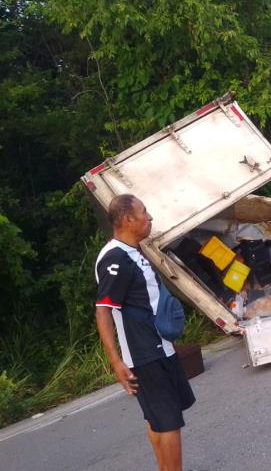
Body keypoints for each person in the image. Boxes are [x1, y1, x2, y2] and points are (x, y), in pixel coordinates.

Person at [95, 194, 195, 471]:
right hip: (144, 355)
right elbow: (103, 311)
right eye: (144, 212)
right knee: (169, 421)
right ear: (128, 219)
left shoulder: (133, 251)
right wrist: (117, 362)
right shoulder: (115, 259)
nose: (149, 217)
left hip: (160, 347)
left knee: (159, 419)